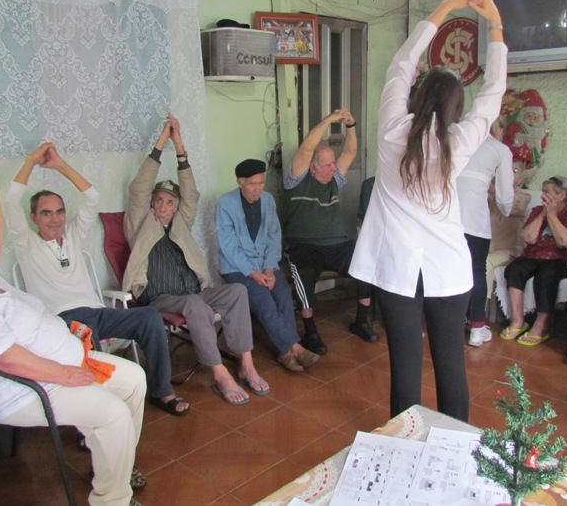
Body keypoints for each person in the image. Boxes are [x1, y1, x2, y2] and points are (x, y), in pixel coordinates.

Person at [0, 159, 146, 506]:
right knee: (112, 413)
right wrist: (63, 373)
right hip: (27, 389)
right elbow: (3, 358)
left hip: (66, 362)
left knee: (133, 379)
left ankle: (116, 465)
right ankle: (112, 499)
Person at [349, 0, 506, 421]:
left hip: (396, 271)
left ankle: (406, 444)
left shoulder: (392, 130)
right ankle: (454, 447)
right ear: (455, 107)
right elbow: (492, 95)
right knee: (451, 367)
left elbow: (400, 65)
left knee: (405, 369)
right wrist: (494, 25)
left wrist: (445, 8)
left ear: (418, 96)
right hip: (449, 270)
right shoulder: (459, 140)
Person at [5, 144, 189, 417]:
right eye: (46, 213)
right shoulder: (27, 244)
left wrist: (60, 165)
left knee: (150, 317)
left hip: (96, 312)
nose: (55, 219)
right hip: (62, 320)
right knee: (85, 336)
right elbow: (10, 201)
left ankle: (162, 391)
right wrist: (31, 160)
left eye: (59, 211)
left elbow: (92, 197)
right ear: (33, 217)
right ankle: (95, 411)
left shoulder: (73, 235)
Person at [122, 114, 268, 405]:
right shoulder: (140, 224)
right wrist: (161, 141)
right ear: (151, 204)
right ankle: (219, 373)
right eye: (159, 200)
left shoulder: (181, 223)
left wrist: (180, 148)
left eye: (170, 202)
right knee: (193, 303)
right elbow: (139, 188)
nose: (163, 206)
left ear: (177, 207)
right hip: (159, 297)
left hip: (194, 292)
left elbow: (191, 193)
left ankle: (246, 363)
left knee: (238, 291)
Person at [283, 108, 377, 356]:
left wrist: (350, 125)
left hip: (337, 245)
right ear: (312, 167)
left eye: (333, 163)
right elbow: (306, 149)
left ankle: (361, 321)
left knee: (365, 260)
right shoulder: (296, 180)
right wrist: (328, 120)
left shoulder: (335, 180)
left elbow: (350, 152)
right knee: (302, 272)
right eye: (327, 164)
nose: (334, 168)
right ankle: (311, 332)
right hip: (304, 246)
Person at [216, 159, 320, 373]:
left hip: (265, 265)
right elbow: (229, 246)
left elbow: (274, 236)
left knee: (282, 293)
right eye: (252, 184)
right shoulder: (225, 203)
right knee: (263, 298)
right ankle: (295, 348)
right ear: (240, 182)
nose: (258, 189)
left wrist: (269, 269)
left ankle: (287, 353)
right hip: (236, 267)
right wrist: (252, 273)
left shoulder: (268, 200)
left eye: (261, 183)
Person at [501, 176, 567, 345]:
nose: (542, 195)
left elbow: (565, 242)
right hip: (533, 256)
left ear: (562, 195)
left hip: (558, 259)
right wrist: (542, 215)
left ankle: (542, 325)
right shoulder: (537, 210)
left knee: (545, 276)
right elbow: (528, 238)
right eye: (543, 192)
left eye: (547, 192)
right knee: (514, 269)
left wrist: (552, 216)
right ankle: (517, 320)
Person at [457, 120, 515, 346]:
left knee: (450, 269)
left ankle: (449, 323)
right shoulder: (499, 149)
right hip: (474, 221)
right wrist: (505, 209)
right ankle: (477, 328)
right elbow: (505, 197)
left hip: (447, 219)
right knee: (477, 271)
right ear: (498, 129)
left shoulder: (459, 142)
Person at [485, 161, 531, 307]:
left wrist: (493, 190)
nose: (509, 173)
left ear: (521, 179)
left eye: (515, 171)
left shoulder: (524, 196)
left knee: (485, 262)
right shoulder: (490, 196)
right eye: (506, 169)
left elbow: (512, 205)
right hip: (487, 248)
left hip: (508, 251)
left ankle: (479, 310)